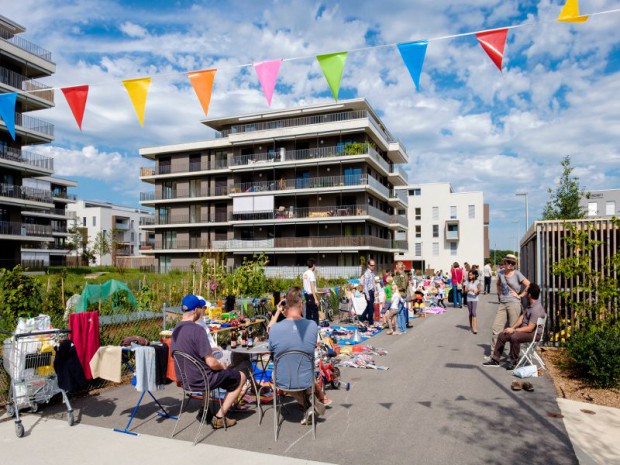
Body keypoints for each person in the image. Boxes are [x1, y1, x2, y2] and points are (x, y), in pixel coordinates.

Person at [171, 295, 246, 429]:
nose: (203, 310)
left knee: (209, 369)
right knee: (240, 376)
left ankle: (204, 409)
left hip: (185, 380)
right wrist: (221, 366)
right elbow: (211, 363)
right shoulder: (197, 330)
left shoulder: (175, 330)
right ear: (195, 310)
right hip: (202, 380)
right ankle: (220, 417)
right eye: (201, 307)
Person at [268, 287, 330, 424]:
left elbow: (271, 346)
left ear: (285, 306)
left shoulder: (274, 329)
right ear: (301, 304)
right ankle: (310, 402)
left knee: (287, 370)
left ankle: (309, 405)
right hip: (306, 378)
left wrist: (278, 312)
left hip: (283, 380)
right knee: (301, 367)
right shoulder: (312, 326)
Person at [483, 283, 546, 370]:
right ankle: (495, 360)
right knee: (502, 334)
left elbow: (530, 328)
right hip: (526, 331)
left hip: (533, 334)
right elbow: (521, 318)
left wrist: (514, 331)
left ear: (530, 295)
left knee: (514, 336)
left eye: (527, 292)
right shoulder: (530, 306)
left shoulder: (536, 309)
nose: (526, 294)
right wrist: (511, 328)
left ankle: (514, 361)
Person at [490, 254, 531, 351]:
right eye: (508, 262)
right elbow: (498, 284)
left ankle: (513, 358)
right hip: (503, 303)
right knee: (496, 328)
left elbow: (529, 284)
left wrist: (520, 295)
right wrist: (500, 294)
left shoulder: (517, 274)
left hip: (514, 303)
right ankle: (494, 355)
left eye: (512, 263)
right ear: (505, 262)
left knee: (513, 330)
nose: (510, 264)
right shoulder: (500, 273)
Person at [302, 258, 319, 325]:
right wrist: (316, 299)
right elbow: (312, 287)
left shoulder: (305, 273)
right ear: (313, 265)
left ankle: (308, 328)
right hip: (311, 295)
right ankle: (316, 328)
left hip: (306, 295)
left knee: (308, 313)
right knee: (315, 313)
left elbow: (304, 285)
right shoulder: (311, 274)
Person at [359, 259, 376, 325]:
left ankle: (362, 318)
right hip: (368, 291)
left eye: (374, 265)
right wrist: (367, 295)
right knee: (371, 308)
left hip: (372, 291)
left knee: (369, 307)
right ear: (368, 265)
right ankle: (370, 322)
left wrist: (375, 290)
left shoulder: (372, 273)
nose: (373, 266)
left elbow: (373, 283)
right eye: (371, 265)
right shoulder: (366, 274)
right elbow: (365, 285)